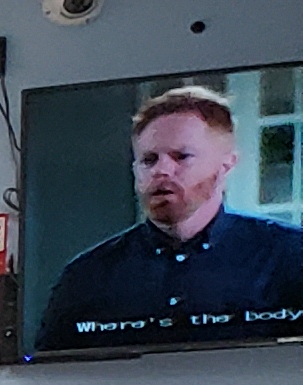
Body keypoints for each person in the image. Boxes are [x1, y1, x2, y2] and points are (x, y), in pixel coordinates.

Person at [34, 83, 303, 355]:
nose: (162, 171)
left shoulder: (290, 256)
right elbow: (46, 376)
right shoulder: (87, 275)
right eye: (149, 160)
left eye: (181, 156)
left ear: (226, 165)